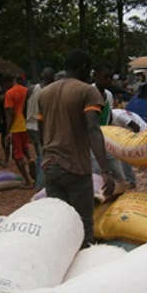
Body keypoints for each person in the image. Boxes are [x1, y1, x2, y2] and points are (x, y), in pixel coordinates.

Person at [37, 49, 115, 247]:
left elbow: (40, 131)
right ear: (82, 67)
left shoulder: (44, 93)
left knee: (61, 224)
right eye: (89, 69)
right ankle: (84, 270)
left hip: (50, 167)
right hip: (75, 168)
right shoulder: (87, 91)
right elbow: (93, 128)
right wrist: (106, 170)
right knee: (84, 226)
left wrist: (46, 155)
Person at [91, 62, 126, 182]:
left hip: (106, 140)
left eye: (110, 78)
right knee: (97, 176)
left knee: (119, 175)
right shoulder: (88, 92)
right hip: (91, 142)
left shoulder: (109, 95)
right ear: (96, 76)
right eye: (105, 77)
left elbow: (109, 117)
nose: (108, 81)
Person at [1, 74, 35, 187]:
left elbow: (10, 114)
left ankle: (28, 181)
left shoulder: (9, 93)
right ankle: (31, 160)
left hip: (16, 127)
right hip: (26, 124)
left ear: (6, 82)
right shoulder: (26, 90)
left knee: (17, 156)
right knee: (25, 149)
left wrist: (7, 132)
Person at [26, 67, 54, 190]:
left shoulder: (32, 88)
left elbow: (24, 107)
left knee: (39, 153)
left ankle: (37, 175)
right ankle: (39, 185)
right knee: (44, 155)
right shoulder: (50, 91)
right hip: (41, 127)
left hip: (29, 124)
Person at [111, 108, 147, 188]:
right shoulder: (108, 118)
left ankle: (130, 181)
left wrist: (129, 142)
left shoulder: (117, 116)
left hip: (142, 132)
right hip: (128, 133)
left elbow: (136, 127)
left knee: (121, 153)